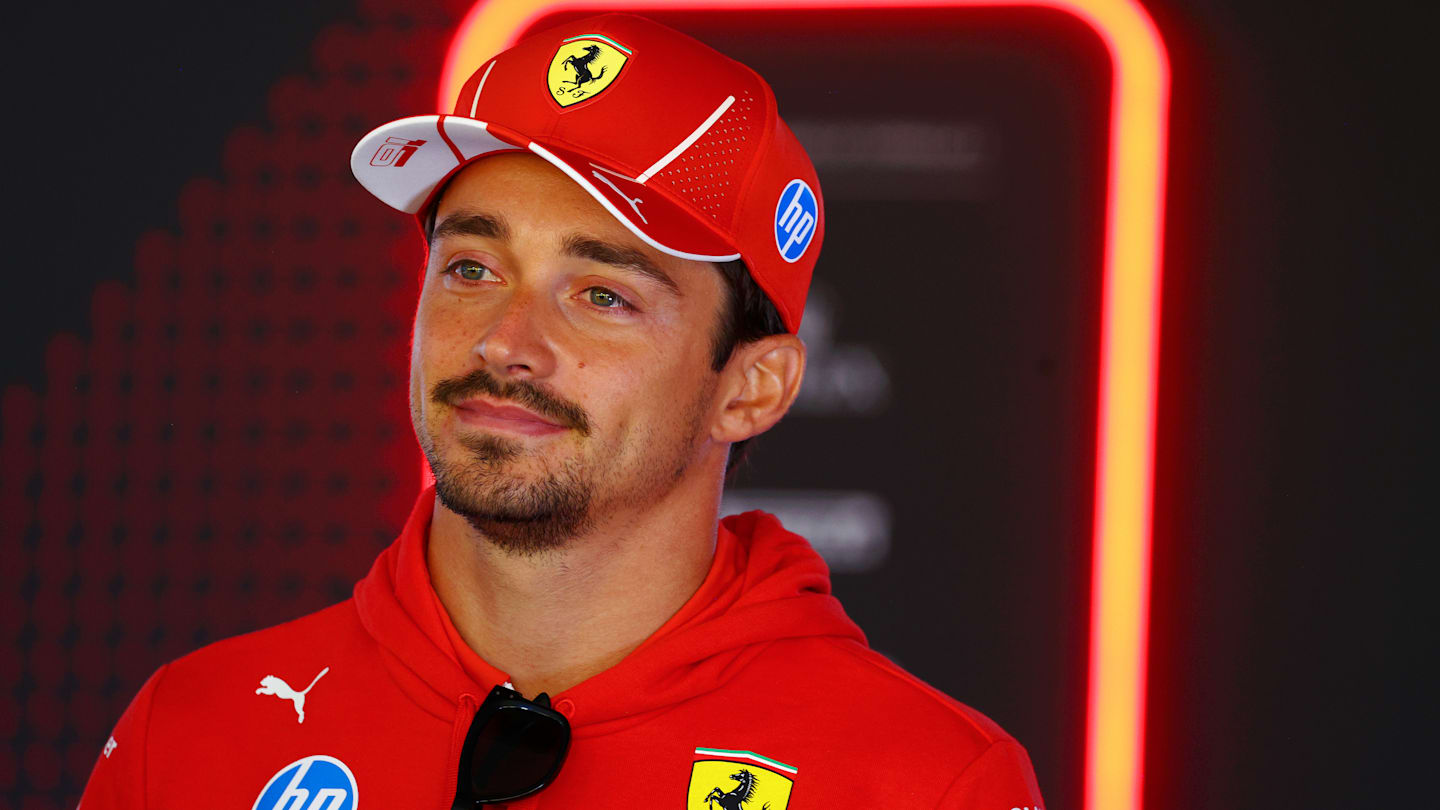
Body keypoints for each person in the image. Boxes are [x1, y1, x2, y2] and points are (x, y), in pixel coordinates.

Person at [79, 13, 1045, 809]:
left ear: (752, 386)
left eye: (601, 295)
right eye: (472, 268)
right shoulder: (193, 731)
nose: (504, 340)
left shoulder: (925, 781)